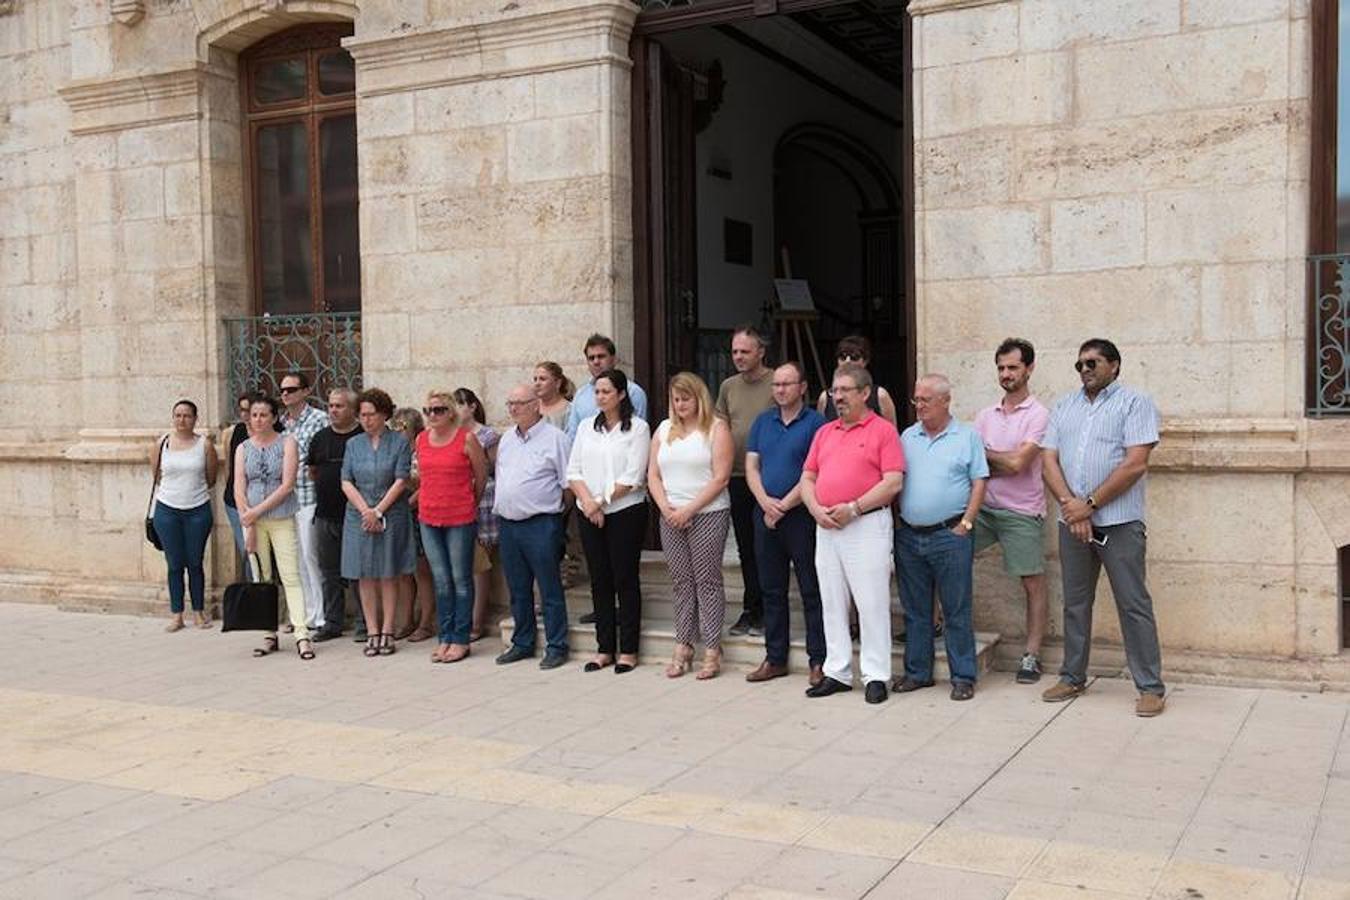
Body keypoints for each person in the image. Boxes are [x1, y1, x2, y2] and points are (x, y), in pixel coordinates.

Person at [1040, 339, 1165, 717]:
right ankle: (1072, 675)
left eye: (1092, 362)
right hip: (1072, 522)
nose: (1085, 370)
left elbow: (1134, 464)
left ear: (1114, 365)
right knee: (1075, 604)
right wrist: (1071, 509)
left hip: (1119, 522)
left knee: (1133, 604)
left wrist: (1089, 505)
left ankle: (1150, 687)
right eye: (1079, 364)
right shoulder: (1064, 405)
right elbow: (1048, 460)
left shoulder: (1135, 403)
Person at [800, 365, 904, 703]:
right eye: (834, 390)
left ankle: (876, 675)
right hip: (827, 526)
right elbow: (808, 478)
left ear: (865, 393)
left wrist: (854, 508)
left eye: (845, 390)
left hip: (866, 524)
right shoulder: (825, 432)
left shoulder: (883, 431)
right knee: (831, 601)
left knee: (871, 602)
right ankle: (837, 671)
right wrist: (816, 509)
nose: (838, 397)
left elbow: (893, 482)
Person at [894, 374, 988, 702]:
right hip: (909, 535)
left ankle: (962, 676)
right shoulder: (908, 436)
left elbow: (979, 481)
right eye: (916, 400)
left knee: (956, 609)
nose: (919, 406)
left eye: (925, 400)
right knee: (916, 610)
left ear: (945, 401)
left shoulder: (966, 437)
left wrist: (967, 523)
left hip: (950, 535)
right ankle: (917, 673)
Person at [743, 362, 827, 685]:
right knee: (772, 589)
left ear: (802, 388)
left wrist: (785, 504)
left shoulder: (817, 424)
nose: (779, 390)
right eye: (776, 384)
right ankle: (775, 658)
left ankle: (818, 660)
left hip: (802, 515)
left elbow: (816, 471)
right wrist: (765, 501)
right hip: (765, 514)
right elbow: (752, 466)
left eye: (787, 384)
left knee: (811, 589)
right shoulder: (763, 422)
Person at [973, 338, 1051, 684]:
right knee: (944, 554)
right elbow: (973, 464)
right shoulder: (984, 415)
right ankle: (936, 624)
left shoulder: (1040, 415)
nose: (1006, 374)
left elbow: (1020, 463)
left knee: (1032, 582)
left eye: (1013, 367)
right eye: (1002, 368)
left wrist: (991, 456)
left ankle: (1032, 656)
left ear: (1029, 369)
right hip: (984, 508)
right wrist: (998, 460)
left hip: (1022, 512)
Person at [648, 372, 733, 680]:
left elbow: (721, 477)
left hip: (707, 513)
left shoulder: (716, 428)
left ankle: (712, 648)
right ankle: (683, 644)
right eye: (675, 399)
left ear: (699, 398)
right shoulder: (663, 429)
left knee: (707, 581)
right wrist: (666, 507)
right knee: (682, 582)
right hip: (670, 514)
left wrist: (689, 509)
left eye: (685, 398)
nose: (679, 404)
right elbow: (653, 475)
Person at [566, 369, 650, 674]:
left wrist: (599, 502)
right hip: (589, 511)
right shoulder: (587, 427)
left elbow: (632, 477)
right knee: (599, 580)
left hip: (625, 511)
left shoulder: (638, 429)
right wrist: (588, 503)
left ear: (621, 394)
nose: (600, 397)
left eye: (606, 392)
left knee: (624, 579)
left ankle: (628, 649)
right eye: (597, 392)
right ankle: (604, 648)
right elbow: (573, 470)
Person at [493, 384, 572, 669]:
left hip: (541, 523)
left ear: (536, 405)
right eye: (510, 403)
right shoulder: (506, 440)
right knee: (518, 589)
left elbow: (568, 485)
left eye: (520, 403)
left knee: (549, 588)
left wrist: (556, 520)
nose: (514, 408)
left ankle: (557, 645)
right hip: (509, 524)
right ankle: (523, 642)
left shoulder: (556, 439)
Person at [233, 395, 313, 660]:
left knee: (290, 575)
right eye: (254, 415)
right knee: (262, 578)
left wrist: (256, 511)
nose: (258, 420)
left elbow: (287, 484)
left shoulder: (287, 443)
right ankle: (269, 633)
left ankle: (301, 633)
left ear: (274, 417)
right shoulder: (243, 448)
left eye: (263, 415)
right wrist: (249, 519)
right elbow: (238, 486)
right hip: (253, 521)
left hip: (280, 517)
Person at [341, 388, 416, 657]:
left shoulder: (399, 442)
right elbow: (346, 480)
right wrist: (366, 511)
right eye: (362, 415)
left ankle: (388, 630)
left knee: (387, 572)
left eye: (371, 414)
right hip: (358, 514)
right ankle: (371, 630)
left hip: (391, 512)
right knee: (365, 573)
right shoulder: (353, 444)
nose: (366, 420)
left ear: (384, 414)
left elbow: (401, 478)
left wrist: (379, 510)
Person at [417, 390, 488, 664]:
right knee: (441, 581)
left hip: (460, 517)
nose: (432, 415)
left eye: (438, 410)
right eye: (428, 410)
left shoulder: (466, 439)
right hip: (429, 517)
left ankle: (461, 638)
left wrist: (470, 503)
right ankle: (444, 636)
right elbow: (423, 477)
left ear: (450, 413)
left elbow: (480, 476)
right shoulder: (421, 439)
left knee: (460, 579)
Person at [715, 325, 775, 638]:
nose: (738, 357)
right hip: (737, 476)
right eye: (735, 351)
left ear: (760, 352)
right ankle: (752, 609)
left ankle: (768, 611)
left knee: (766, 546)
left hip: (768, 480)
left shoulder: (776, 382)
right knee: (746, 548)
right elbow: (721, 424)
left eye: (745, 351)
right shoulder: (728, 386)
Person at [150, 400, 217, 632]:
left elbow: (212, 477)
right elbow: (157, 475)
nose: (182, 420)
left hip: (198, 509)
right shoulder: (162, 443)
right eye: (177, 415)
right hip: (167, 509)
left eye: (187, 416)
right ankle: (177, 614)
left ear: (195, 419)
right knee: (174, 563)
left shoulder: (205, 445)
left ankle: (199, 611)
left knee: (195, 562)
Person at [306, 388, 362, 641]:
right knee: (328, 572)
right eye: (330, 406)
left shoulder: (361, 437)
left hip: (354, 516)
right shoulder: (319, 438)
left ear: (353, 410)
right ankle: (332, 622)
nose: (333, 410)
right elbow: (313, 471)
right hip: (325, 515)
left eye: (339, 406)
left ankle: (364, 623)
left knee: (358, 573)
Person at [279, 372, 330, 634]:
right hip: (288, 500)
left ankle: (320, 616)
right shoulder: (281, 424)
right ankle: (304, 614)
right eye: (283, 390)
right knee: (296, 559)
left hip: (310, 496)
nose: (286, 394)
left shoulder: (320, 420)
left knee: (312, 557)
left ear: (305, 391)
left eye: (291, 389)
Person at [454, 388, 499, 642]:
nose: (457, 409)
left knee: (480, 564)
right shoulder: (453, 435)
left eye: (461, 404)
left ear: (472, 406)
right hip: (459, 501)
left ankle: (477, 620)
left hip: (483, 501)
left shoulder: (487, 435)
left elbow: (494, 469)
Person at [391, 406, 436, 643]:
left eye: (403, 428)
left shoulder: (421, 450)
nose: (399, 432)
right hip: (399, 515)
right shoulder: (395, 451)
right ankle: (406, 619)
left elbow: (426, 482)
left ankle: (426, 622)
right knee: (403, 573)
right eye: (395, 427)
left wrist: (409, 501)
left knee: (422, 571)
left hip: (418, 513)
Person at [565, 334, 649, 437]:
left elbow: (637, 432)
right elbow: (573, 435)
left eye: (601, 356)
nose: (596, 362)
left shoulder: (633, 392)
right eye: (591, 358)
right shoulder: (581, 395)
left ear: (613, 359)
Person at [815, 335, 898, 425]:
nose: (847, 361)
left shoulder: (880, 395)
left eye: (854, 357)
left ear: (865, 361)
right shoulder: (825, 398)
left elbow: (892, 432)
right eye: (842, 357)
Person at [221, 391, 258, 581]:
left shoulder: (274, 432)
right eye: (241, 410)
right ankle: (254, 596)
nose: (244, 415)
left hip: (263, 503)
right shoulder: (235, 432)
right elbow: (229, 467)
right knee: (248, 550)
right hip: (236, 503)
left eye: (248, 410)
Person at [534, 361, 575, 430]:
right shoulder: (532, 408)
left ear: (557, 383)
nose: (537, 383)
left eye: (542, 379)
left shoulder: (570, 410)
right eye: (535, 379)